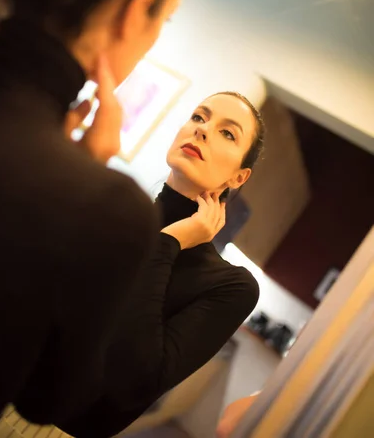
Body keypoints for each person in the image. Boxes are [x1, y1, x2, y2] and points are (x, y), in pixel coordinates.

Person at [0, 0, 205, 435]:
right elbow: (52, 401)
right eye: (164, 20)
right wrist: (88, 179)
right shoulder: (101, 207)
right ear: (136, 13)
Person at [55, 91, 264, 438]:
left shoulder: (232, 285)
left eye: (228, 133)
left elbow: (133, 383)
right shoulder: (114, 213)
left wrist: (169, 243)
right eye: (199, 117)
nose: (202, 130)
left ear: (238, 178)